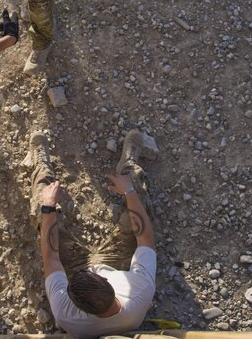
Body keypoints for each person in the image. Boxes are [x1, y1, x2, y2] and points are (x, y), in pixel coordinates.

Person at [27, 130, 156, 338]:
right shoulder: (138, 293)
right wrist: (129, 192)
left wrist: (48, 207)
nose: (94, 268)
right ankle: (128, 168)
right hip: (116, 263)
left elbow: (50, 257)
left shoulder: (65, 314)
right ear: (106, 281)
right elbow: (146, 239)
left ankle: (42, 170)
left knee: (40, 211)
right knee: (140, 206)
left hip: (76, 264)